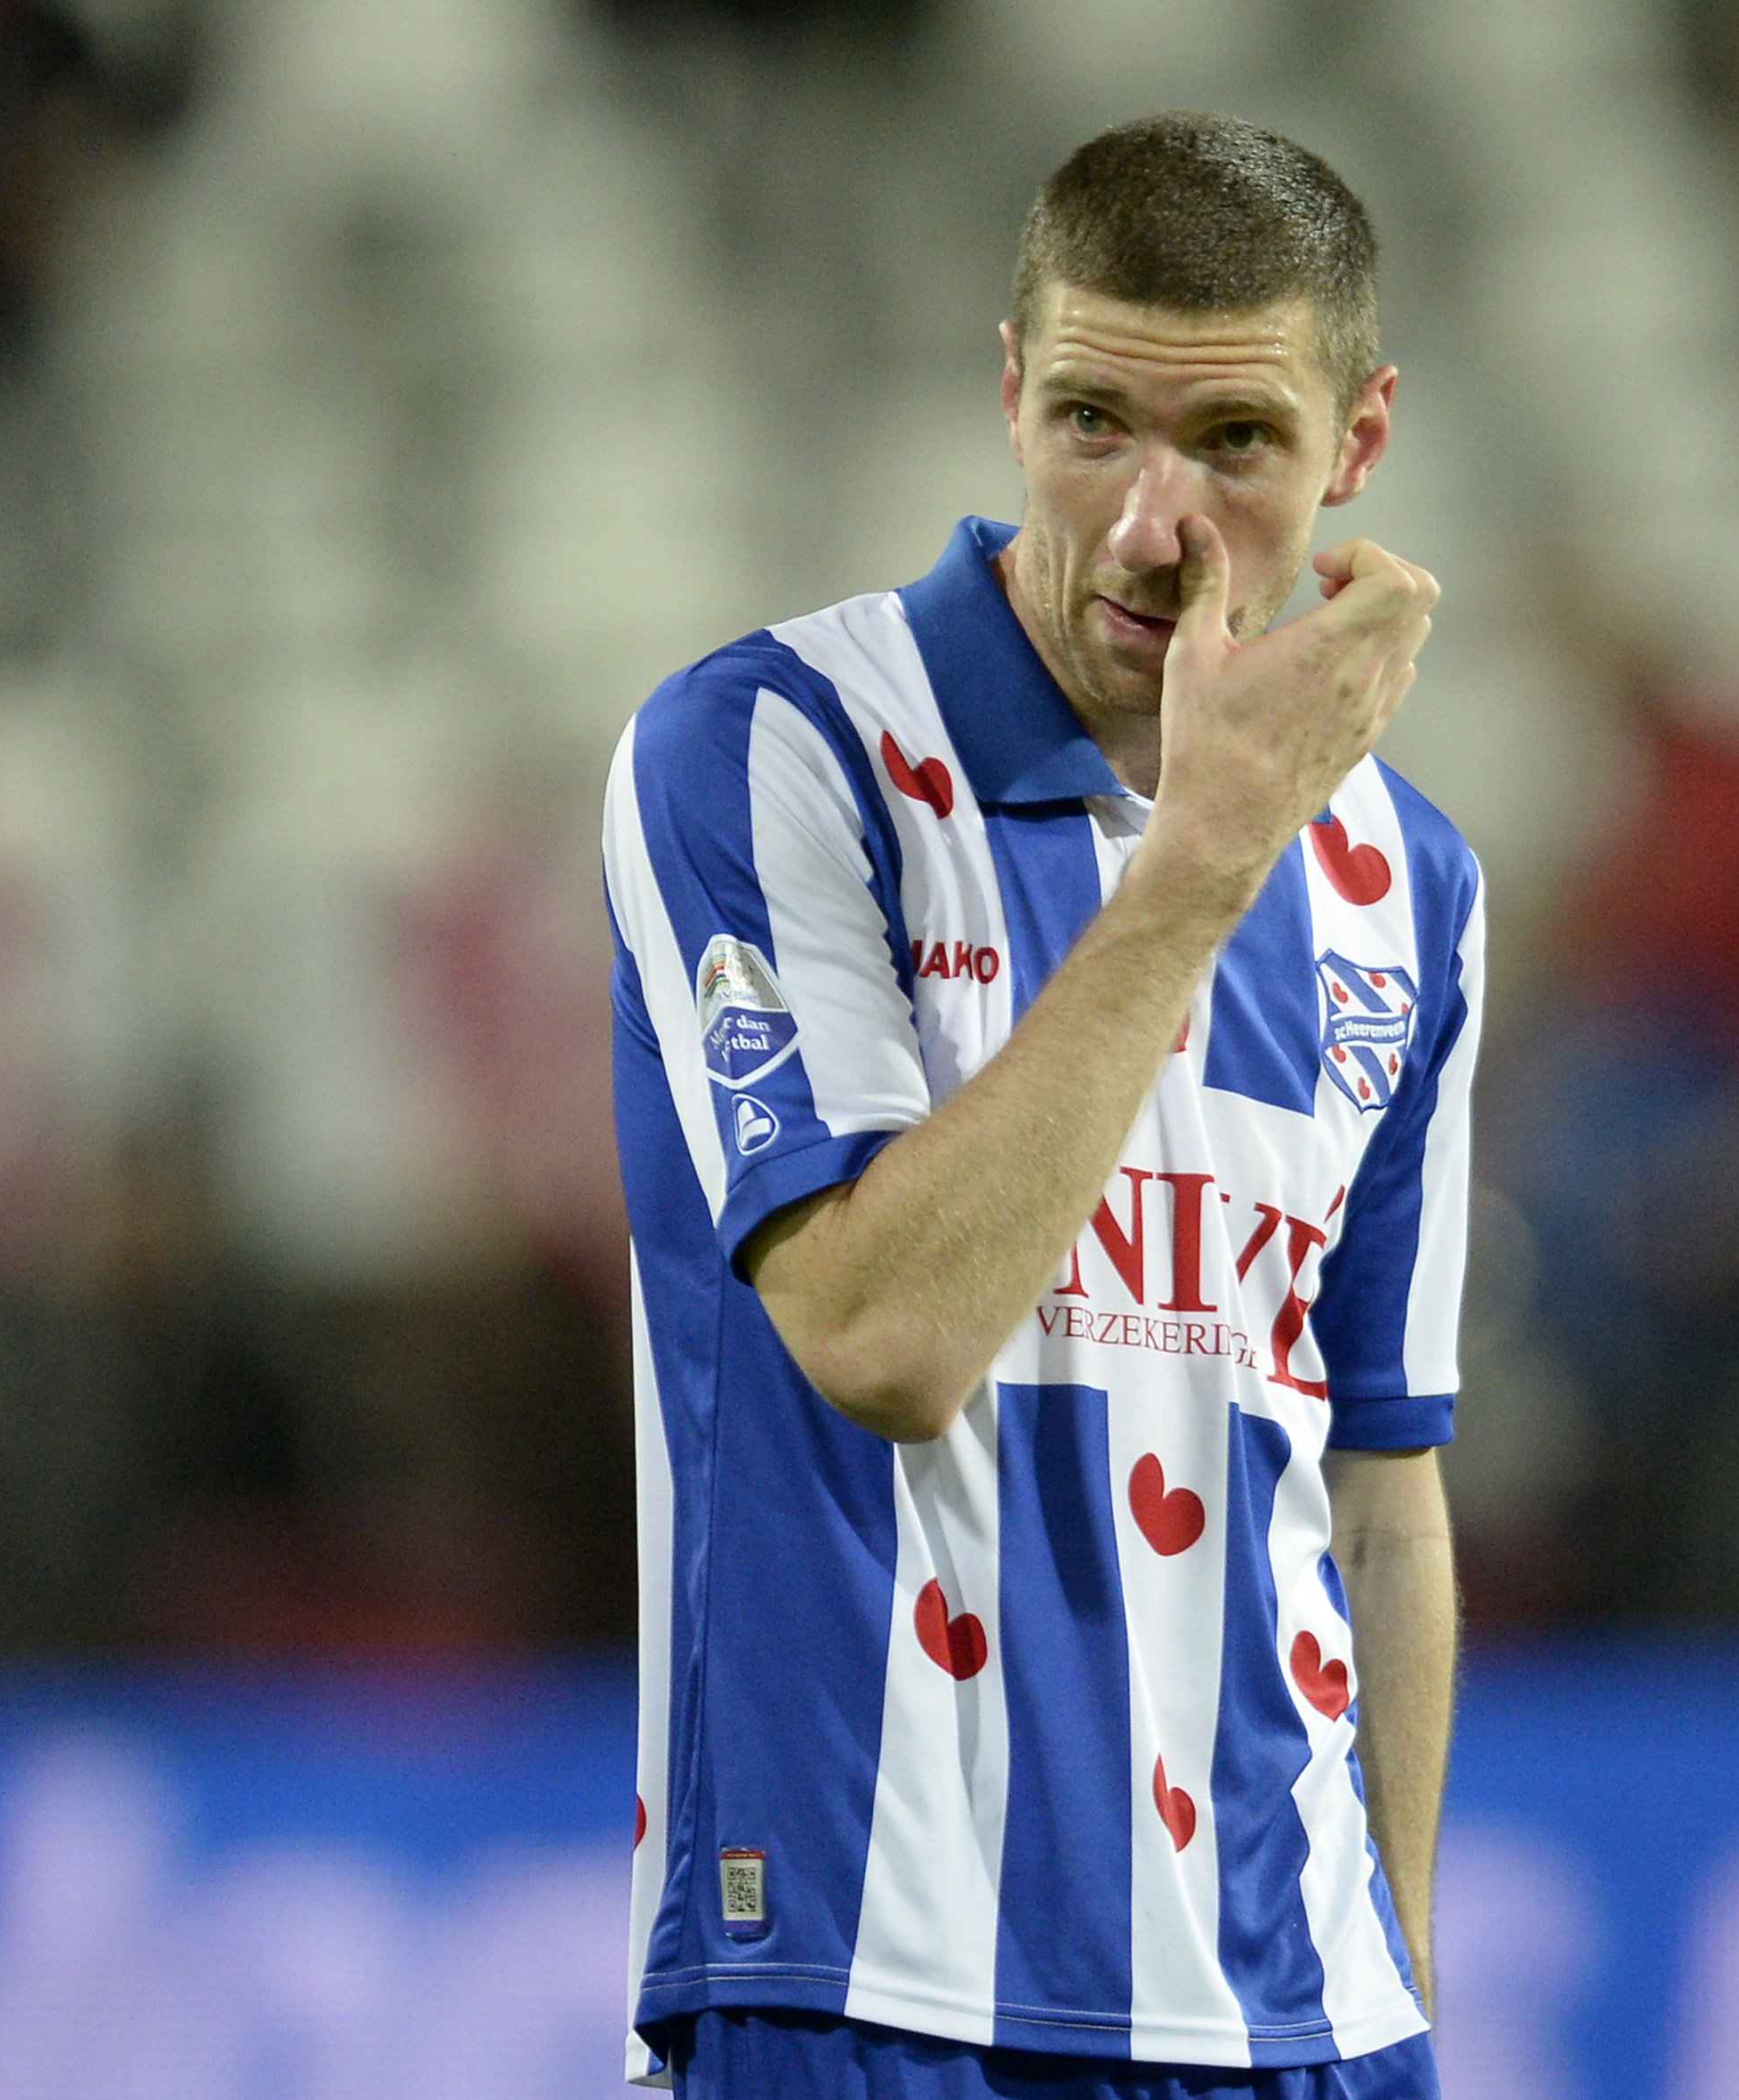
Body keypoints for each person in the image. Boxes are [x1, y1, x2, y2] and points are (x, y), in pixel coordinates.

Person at [603, 115, 1472, 2100]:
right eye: (1091, 419)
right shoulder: (766, 754)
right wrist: (1197, 864)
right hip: (870, 1976)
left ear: (1360, 441)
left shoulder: (1411, 881)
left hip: (1294, 2013)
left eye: (1235, 441)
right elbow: (883, 1337)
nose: (1152, 519)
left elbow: (1381, 1478)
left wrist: (1391, 1970)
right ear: (1006, 390)